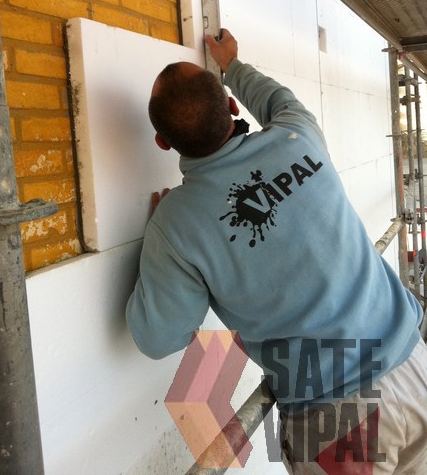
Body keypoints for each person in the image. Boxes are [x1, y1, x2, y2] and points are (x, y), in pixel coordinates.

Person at [126, 29, 427, 473]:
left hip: (339, 419)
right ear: (232, 107)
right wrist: (232, 65)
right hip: (415, 368)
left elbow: (158, 338)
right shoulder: (297, 134)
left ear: (162, 142)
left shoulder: (175, 224)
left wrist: (159, 240)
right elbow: (277, 99)